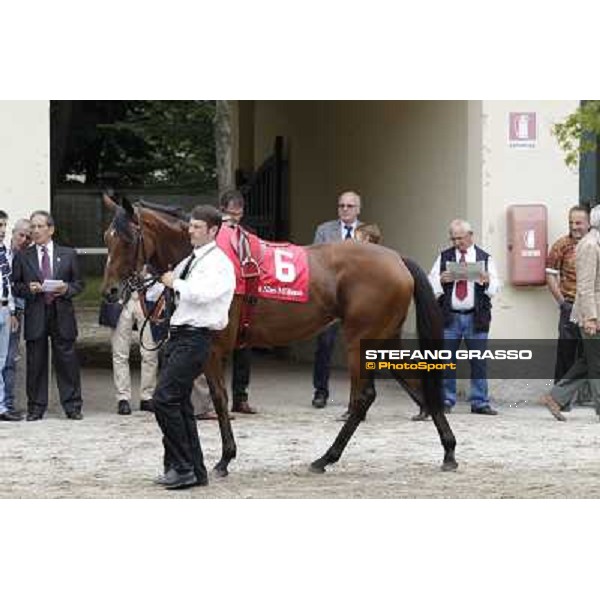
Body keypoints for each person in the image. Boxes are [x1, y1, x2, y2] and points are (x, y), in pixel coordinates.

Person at [152, 204, 235, 490]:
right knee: (180, 404)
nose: (191, 231)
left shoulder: (219, 264)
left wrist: (176, 283)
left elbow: (202, 294)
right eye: (191, 225)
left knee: (163, 399)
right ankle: (193, 469)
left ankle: (183, 466)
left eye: (198, 227)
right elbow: (169, 285)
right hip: (178, 337)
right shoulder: (190, 260)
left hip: (196, 338)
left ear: (213, 231)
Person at [415, 218, 500, 419]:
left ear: (471, 236)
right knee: (446, 361)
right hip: (450, 317)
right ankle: (446, 400)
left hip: (476, 317)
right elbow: (430, 282)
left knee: (478, 361)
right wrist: (440, 280)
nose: (457, 243)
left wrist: (487, 281)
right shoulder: (444, 257)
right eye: (453, 239)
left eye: (460, 238)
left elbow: (496, 287)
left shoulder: (484, 257)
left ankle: (480, 401)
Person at [11, 210, 85, 421]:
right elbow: (16, 286)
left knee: (67, 361)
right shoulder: (23, 256)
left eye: (39, 226)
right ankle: (36, 407)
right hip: (36, 312)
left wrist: (66, 289)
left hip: (61, 313)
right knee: (36, 363)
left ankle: (72, 406)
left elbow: (79, 284)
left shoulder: (68, 254)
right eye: (32, 227)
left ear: (51, 229)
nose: (34, 231)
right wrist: (29, 288)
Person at [195, 189, 256, 418]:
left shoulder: (247, 235)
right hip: (219, 297)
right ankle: (211, 403)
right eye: (230, 214)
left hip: (239, 297)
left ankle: (373, 385)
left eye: (238, 215)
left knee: (241, 349)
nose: (234, 219)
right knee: (213, 350)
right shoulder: (211, 236)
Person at [541, 204, 600, 422]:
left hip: (591, 311)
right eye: (571, 222)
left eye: (578, 222)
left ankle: (555, 397)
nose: (574, 227)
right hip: (587, 311)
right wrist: (591, 317)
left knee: (588, 360)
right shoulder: (589, 246)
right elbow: (585, 286)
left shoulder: (594, 243)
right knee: (593, 361)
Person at [311, 190, 362, 410]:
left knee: (359, 348)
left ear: (358, 209)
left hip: (358, 300)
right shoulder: (325, 231)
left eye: (350, 206)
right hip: (331, 299)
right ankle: (320, 391)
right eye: (341, 206)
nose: (345, 210)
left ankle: (358, 394)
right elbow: (315, 261)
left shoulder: (366, 232)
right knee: (324, 345)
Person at [108, 288, 159, 416]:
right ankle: (122, 397)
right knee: (120, 352)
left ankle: (147, 396)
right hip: (122, 298)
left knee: (150, 352)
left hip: (147, 299)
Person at [2, 218, 32, 416]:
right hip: (8, 307)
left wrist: (13, 311)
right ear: (14, 233)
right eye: (21, 235)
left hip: (14, 311)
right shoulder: (4, 253)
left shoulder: (27, 257)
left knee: (9, 359)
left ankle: (7, 404)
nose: (24, 240)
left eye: (28, 238)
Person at [0, 211, 21, 421]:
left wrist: (13, 311)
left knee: (2, 360)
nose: (2, 231)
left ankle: (2, 407)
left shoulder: (4, 253)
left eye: (4, 226)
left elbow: (7, 283)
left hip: (5, 309)